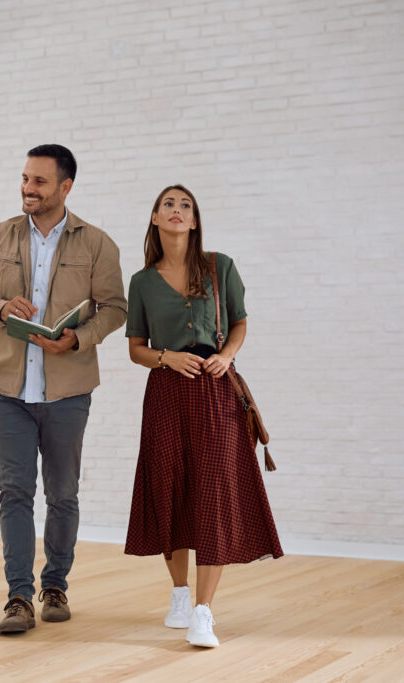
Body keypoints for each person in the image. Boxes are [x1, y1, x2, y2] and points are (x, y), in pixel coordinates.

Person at [0, 144, 127, 634]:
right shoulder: (0, 236)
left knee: (63, 494)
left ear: (65, 187)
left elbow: (115, 308)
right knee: (13, 493)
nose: (27, 188)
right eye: (24, 178)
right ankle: (18, 597)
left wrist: (80, 337)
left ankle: (54, 585)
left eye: (38, 181)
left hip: (68, 392)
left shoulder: (96, 244)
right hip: (8, 390)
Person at [124, 184, 283, 648]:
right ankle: (178, 593)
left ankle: (203, 611)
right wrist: (166, 358)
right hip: (166, 392)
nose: (177, 211)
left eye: (185, 206)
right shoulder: (141, 281)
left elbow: (239, 321)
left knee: (213, 492)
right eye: (168, 204)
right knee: (169, 488)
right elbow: (135, 348)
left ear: (194, 221)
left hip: (215, 392)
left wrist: (228, 356)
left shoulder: (220, 266)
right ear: (155, 218)